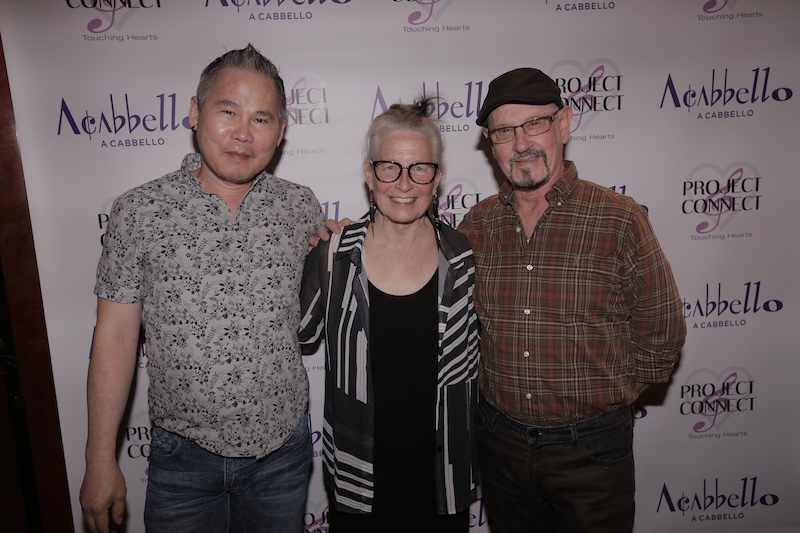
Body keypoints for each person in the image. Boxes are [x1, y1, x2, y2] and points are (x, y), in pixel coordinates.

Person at [79, 44, 324, 533]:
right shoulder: (140, 211)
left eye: (261, 118)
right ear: (195, 112)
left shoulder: (300, 207)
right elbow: (115, 337)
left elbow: (316, 310)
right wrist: (100, 459)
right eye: (228, 111)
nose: (242, 133)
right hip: (182, 461)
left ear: (280, 131)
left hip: (282, 455)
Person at [459, 67, 687, 532]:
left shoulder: (619, 218)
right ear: (490, 142)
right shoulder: (476, 225)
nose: (521, 143)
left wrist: (605, 403)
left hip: (592, 452)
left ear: (563, 124)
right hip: (500, 445)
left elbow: (661, 332)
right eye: (504, 131)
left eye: (534, 124)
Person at [298, 97, 480, 532]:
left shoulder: (461, 256)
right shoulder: (334, 255)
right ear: (369, 173)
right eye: (389, 167)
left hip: (442, 477)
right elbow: (301, 333)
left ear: (437, 178)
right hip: (358, 478)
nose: (404, 183)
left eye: (420, 169)